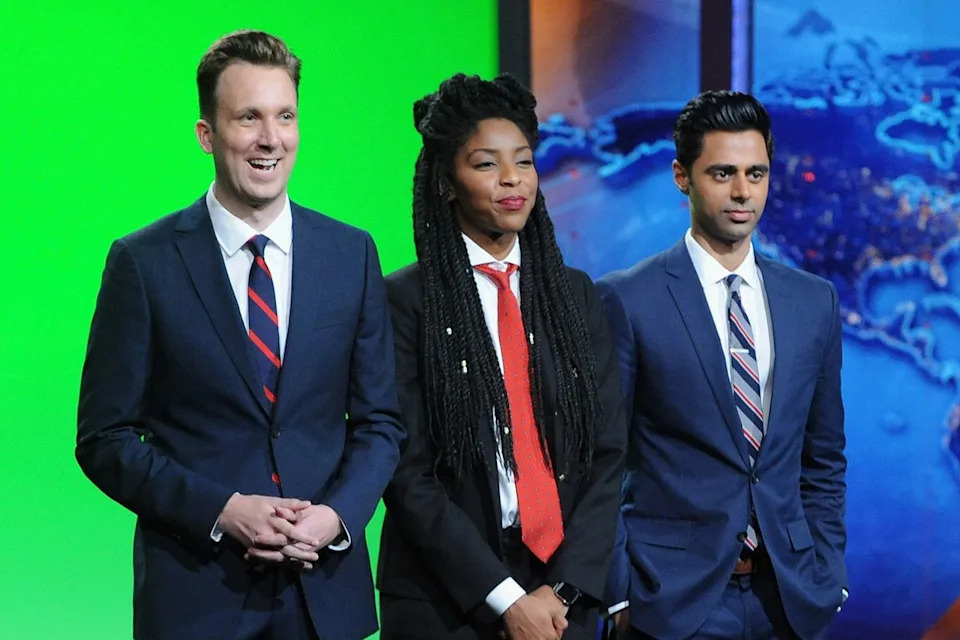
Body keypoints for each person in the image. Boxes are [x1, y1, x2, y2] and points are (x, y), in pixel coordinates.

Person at [75, 30, 403, 640]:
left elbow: (382, 422)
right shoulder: (143, 263)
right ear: (207, 134)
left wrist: (335, 517)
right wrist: (221, 510)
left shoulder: (350, 253)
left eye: (285, 116)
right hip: (198, 600)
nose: (269, 139)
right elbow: (104, 439)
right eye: (248, 117)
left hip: (322, 598)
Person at [377, 73, 626, 640]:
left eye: (524, 161)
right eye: (487, 164)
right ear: (447, 182)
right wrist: (506, 599)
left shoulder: (574, 295)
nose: (512, 179)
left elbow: (607, 454)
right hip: (448, 600)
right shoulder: (404, 302)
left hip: (563, 599)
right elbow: (407, 471)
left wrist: (560, 591)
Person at [599, 90, 848, 640]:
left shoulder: (814, 301)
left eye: (756, 174)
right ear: (681, 177)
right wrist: (619, 593)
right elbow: (601, 462)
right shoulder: (627, 299)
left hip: (788, 598)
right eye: (722, 173)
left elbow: (823, 456)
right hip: (671, 602)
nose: (742, 192)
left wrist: (828, 572)